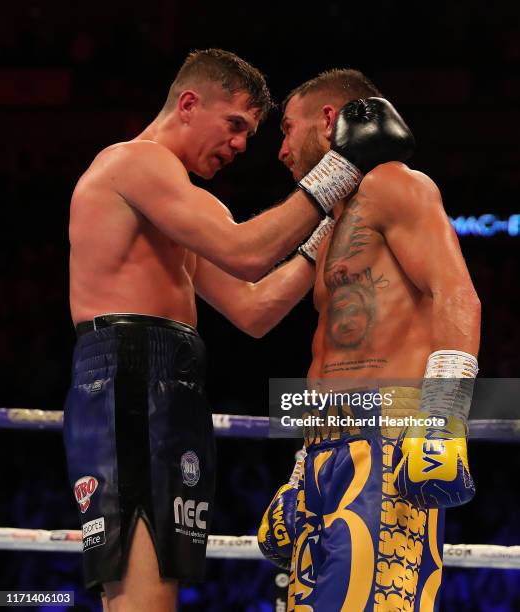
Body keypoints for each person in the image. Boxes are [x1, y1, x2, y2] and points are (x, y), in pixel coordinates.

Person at [63, 49, 413, 612]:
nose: (241, 145)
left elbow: (255, 308)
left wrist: (327, 224)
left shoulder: (176, 206)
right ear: (189, 103)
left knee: (156, 590)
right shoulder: (137, 163)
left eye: (250, 132)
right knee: (140, 592)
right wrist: (342, 166)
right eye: (235, 125)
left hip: (166, 380)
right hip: (129, 377)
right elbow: (246, 253)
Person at [258, 69, 481, 611]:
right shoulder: (331, 226)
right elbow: (277, 321)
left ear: (328, 120)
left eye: (288, 129)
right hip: (322, 451)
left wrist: (440, 421)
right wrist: (300, 467)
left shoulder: (395, 184)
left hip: (387, 444)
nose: (282, 149)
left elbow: (457, 294)